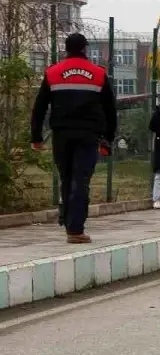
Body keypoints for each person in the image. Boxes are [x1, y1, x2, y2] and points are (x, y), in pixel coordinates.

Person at [29, 32, 118, 243]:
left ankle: (67, 218)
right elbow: (110, 110)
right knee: (81, 179)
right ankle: (75, 229)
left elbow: (39, 107)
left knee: (67, 177)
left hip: (62, 135)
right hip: (88, 135)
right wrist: (108, 138)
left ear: (66, 49)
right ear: (85, 49)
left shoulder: (53, 73)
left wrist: (36, 137)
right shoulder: (98, 73)